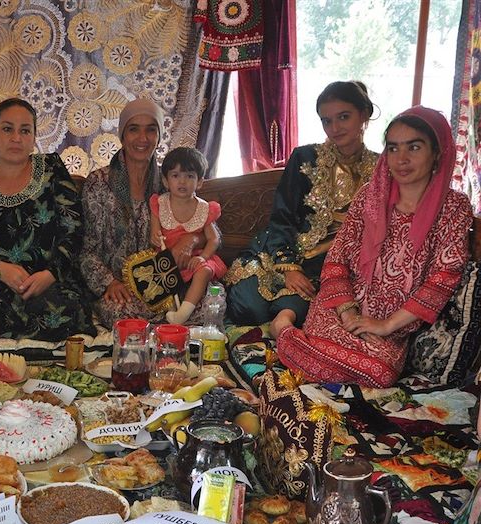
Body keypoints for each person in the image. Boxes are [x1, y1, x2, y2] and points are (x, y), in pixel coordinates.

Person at [274, 106, 473, 387]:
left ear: (437, 152)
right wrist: (349, 312)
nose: (401, 159)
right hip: (342, 306)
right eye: (393, 148)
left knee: (378, 374)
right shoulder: (371, 195)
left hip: (394, 324)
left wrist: (387, 324)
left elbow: (444, 276)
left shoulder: (453, 207)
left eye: (413, 147)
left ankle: (287, 336)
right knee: (321, 361)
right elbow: (337, 259)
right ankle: (283, 326)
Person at [225, 81, 379, 329]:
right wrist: (289, 268)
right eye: (326, 121)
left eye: (344, 117)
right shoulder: (305, 158)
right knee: (248, 308)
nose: (335, 128)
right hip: (276, 253)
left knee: (291, 310)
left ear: (364, 114)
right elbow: (281, 218)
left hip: (326, 271)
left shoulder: (382, 170)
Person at [0, 98, 94, 340]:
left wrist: (50, 274)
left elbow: (74, 230)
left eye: (25, 131)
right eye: (8, 129)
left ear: (33, 139)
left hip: (50, 281)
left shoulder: (52, 169)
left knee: (63, 312)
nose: (16, 138)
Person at [81, 98, 202, 327]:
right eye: (134, 129)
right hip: (120, 289)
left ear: (159, 135)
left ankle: (170, 329)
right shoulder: (99, 183)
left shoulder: (170, 182)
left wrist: (190, 238)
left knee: (213, 300)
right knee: (123, 315)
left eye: (151, 130)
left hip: (165, 284)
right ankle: (168, 330)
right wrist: (109, 283)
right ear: (122, 135)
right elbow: (87, 251)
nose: (142, 138)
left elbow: (206, 222)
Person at [149, 147, 227, 324]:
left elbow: (214, 238)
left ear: (200, 182)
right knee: (156, 272)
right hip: (167, 258)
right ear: (165, 180)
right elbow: (154, 233)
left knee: (205, 270)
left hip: (193, 258)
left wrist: (203, 257)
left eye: (189, 176)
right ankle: (169, 308)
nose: (182, 181)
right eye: (175, 176)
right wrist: (155, 236)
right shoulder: (159, 203)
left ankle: (183, 313)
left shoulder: (204, 209)